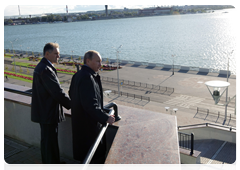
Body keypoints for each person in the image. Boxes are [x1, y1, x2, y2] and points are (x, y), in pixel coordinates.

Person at [69, 50, 115, 170]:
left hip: (80, 126)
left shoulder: (78, 75)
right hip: (89, 129)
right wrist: (106, 118)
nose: (101, 64)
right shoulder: (87, 77)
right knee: (95, 159)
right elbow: (91, 106)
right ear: (88, 61)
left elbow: (71, 94)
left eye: (101, 61)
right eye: (98, 61)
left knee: (86, 160)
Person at [31, 43, 71, 170]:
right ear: (47, 54)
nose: (58, 55)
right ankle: (52, 166)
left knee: (48, 142)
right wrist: (72, 104)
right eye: (56, 53)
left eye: (58, 53)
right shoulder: (45, 69)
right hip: (47, 113)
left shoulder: (43, 67)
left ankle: (51, 163)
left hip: (44, 112)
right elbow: (56, 92)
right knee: (49, 142)